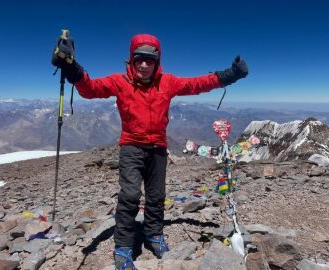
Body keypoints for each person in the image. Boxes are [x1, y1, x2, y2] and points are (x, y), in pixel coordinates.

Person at [52, 33, 248, 270]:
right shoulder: (120, 81)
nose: (144, 65)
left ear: (157, 61)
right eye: (139, 60)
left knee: (156, 196)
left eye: (149, 60)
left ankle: (154, 235)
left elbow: (197, 84)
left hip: (158, 148)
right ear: (132, 60)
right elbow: (91, 89)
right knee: (130, 196)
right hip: (131, 147)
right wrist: (73, 69)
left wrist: (230, 75)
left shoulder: (168, 82)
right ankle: (123, 247)